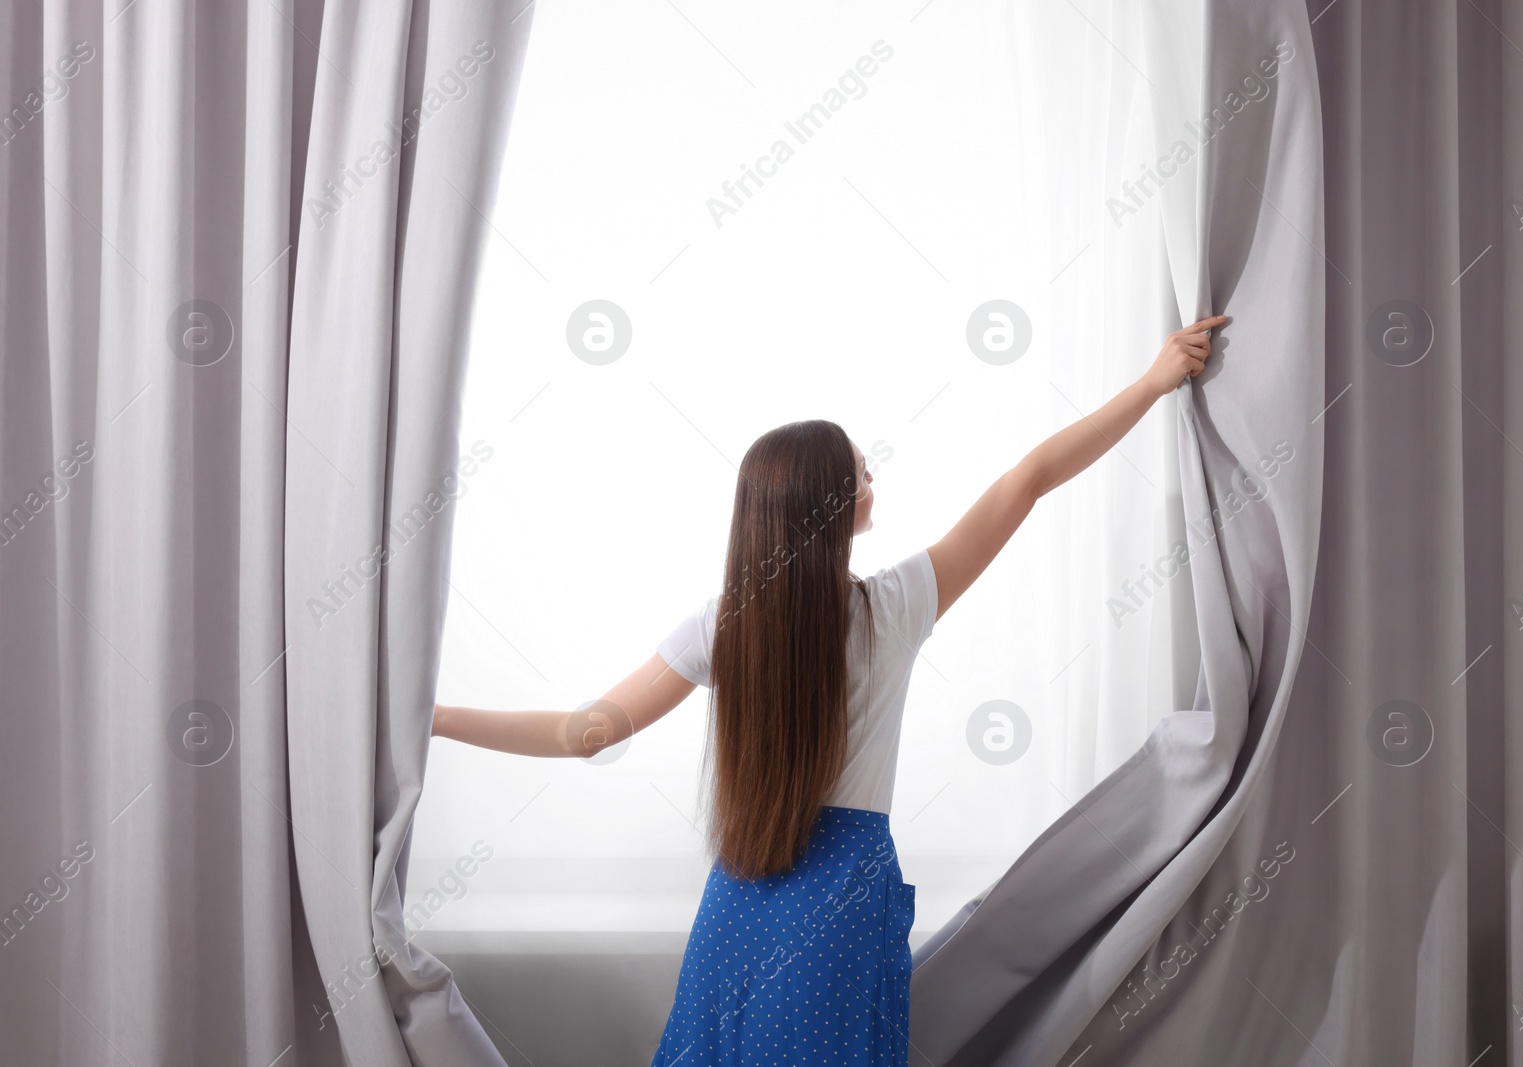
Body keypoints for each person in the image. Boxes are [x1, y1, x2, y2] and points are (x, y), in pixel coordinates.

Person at [431, 314, 1225, 1064]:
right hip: (841, 904)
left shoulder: (724, 626)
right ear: (834, 507)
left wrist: (433, 718)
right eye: (861, 470)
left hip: (739, 898)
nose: (873, 477)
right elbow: (1028, 481)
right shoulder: (897, 606)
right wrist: (1152, 383)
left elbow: (586, 731)